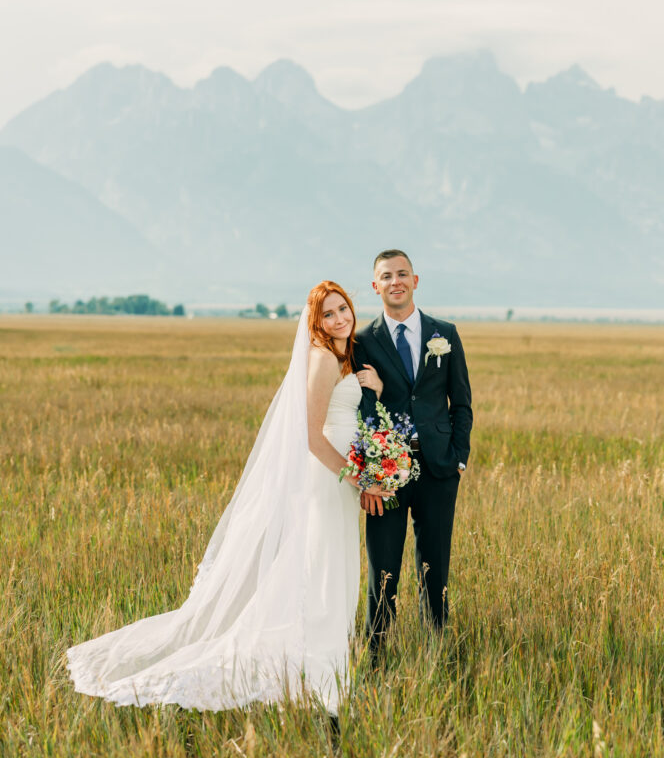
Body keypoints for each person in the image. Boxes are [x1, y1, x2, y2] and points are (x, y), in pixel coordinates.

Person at [67, 281, 386, 716]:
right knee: (323, 572)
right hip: (330, 481)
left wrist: (376, 393)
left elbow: (346, 415)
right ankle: (315, 675)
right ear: (315, 323)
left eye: (343, 308)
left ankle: (319, 668)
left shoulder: (342, 358)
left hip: (341, 479)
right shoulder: (323, 361)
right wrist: (361, 478)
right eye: (328, 314)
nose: (339, 318)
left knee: (327, 569)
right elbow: (312, 437)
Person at [354, 250, 473, 656]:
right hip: (387, 472)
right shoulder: (363, 341)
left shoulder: (446, 334)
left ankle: (435, 650)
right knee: (382, 569)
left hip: (439, 468)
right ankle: (376, 654)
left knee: (435, 566)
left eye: (402, 274)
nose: (395, 281)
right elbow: (362, 407)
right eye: (386, 276)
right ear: (376, 286)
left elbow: (462, 402)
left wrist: (459, 457)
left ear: (416, 280)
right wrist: (371, 470)